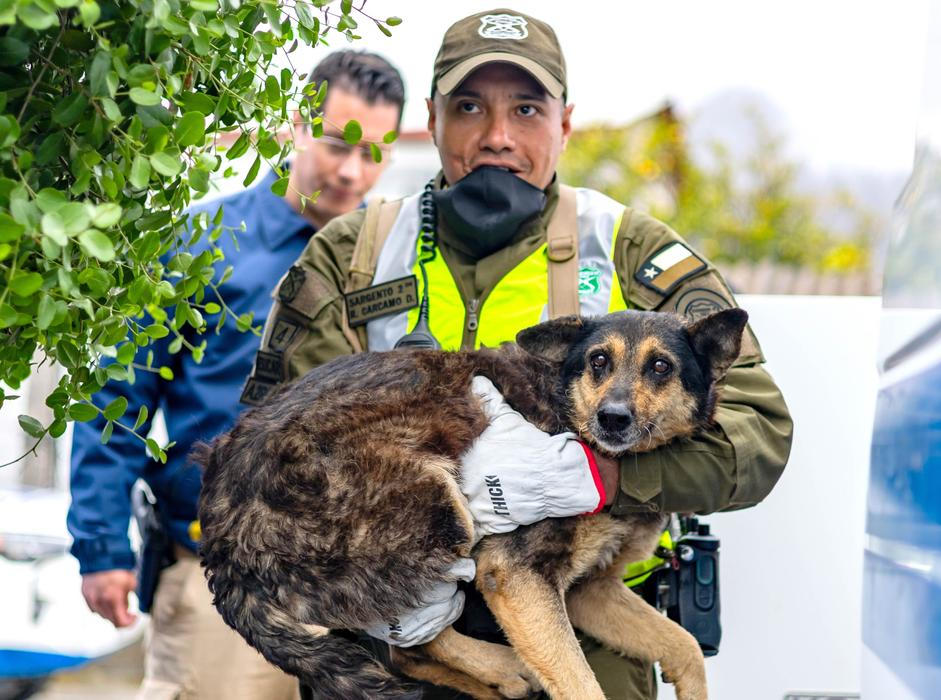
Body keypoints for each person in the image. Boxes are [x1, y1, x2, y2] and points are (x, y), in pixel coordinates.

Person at [243, 9, 793, 699]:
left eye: (526, 109)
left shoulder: (629, 248)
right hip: (387, 653)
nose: (497, 136)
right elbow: (273, 449)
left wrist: (602, 482)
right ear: (433, 117)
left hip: (589, 651)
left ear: (563, 123)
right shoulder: (350, 254)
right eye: (469, 106)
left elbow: (758, 435)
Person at [67, 50, 406, 699]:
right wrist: (101, 546)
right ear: (297, 123)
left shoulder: (393, 261)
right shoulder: (202, 243)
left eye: (374, 153)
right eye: (339, 144)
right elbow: (118, 395)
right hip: (224, 581)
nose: (350, 170)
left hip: (364, 596)